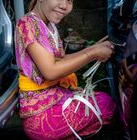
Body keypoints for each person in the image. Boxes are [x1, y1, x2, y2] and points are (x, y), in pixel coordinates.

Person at [14, 0, 116, 139]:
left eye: (70, 0)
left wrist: (94, 49)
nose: (64, 5)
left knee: (102, 101)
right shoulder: (27, 24)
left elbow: (61, 60)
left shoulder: (49, 26)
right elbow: (50, 71)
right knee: (105, 103)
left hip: (55, 100)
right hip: (40, 116)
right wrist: (92, 54)